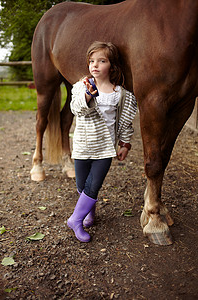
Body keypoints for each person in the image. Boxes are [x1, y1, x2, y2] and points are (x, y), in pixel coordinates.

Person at [67, 41, 137, 242]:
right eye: (91, 61)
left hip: (105, 148)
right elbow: (76, 108)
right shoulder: (82, 87)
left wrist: (125, 143)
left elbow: (124, 121)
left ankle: (76, 220)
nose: (94, 65)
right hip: (82, 145)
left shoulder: (120, 94)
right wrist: (89, 96)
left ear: (112, 66)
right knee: (82, 185)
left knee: (93, 185)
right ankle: (88, 212)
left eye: (101, 61)